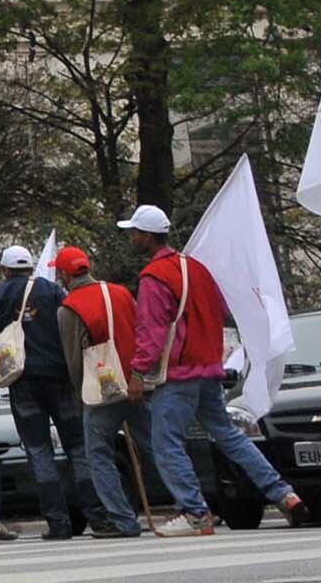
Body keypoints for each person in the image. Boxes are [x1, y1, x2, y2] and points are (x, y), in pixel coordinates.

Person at [126, 202, 305, 536]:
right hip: (209, 369)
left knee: (167, 443)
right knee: (229, 435)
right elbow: (220, 309)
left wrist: (138, 373)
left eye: (135, 232)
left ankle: (195, 513)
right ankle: (284, 493)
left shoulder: (154, 277)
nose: (132, 238)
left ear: (147, 236)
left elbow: (151, 332)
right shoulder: (197, 268)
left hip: (178, 373)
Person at [0, 244, 85, 539]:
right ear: (31, 267)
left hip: (23, 381)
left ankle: (58, 522)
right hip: (60, 377)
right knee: (77, 447)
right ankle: (97, 514)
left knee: (39, 450)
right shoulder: (53, 291)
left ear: (4, 270)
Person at [51, 247, 143, 538]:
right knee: (160, 445)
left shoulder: (69, 308)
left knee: (98, 454)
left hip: (104, 389)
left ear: (64, 274)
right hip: (138, 381)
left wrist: (81, 394)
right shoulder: (120, 292)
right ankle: (193, 506)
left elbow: (74, 359)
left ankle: (122, 519)